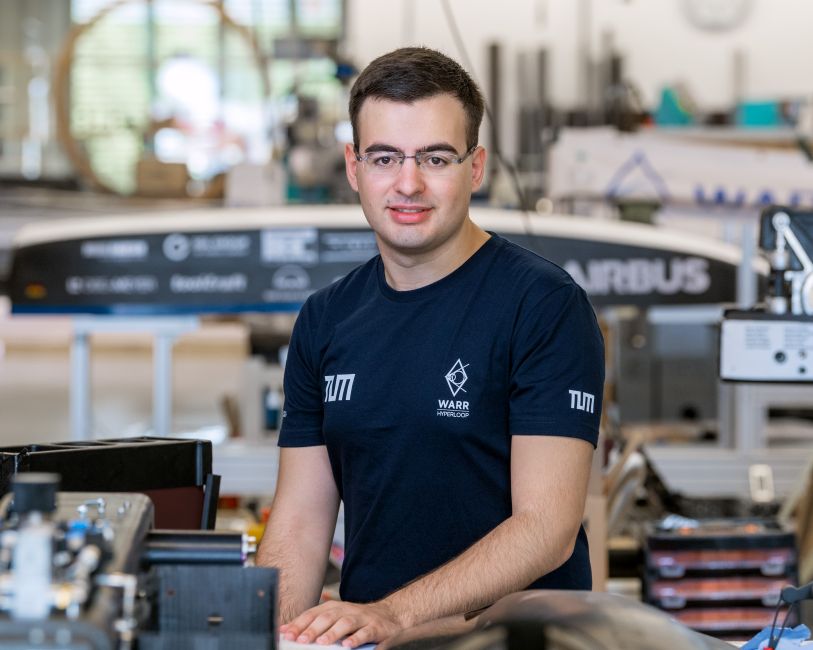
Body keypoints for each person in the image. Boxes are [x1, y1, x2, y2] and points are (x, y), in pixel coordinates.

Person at [257, 46, 604, 648]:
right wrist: (273, 632)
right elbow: (299, 521)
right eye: (385, 157)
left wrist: (394, 613)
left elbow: (547, 526)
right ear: (353, 166)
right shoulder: (325, 318)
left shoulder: (544, 306)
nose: (408, 183)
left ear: (476, 168)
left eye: (436, 157)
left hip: (517, 641)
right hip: (375, 638)